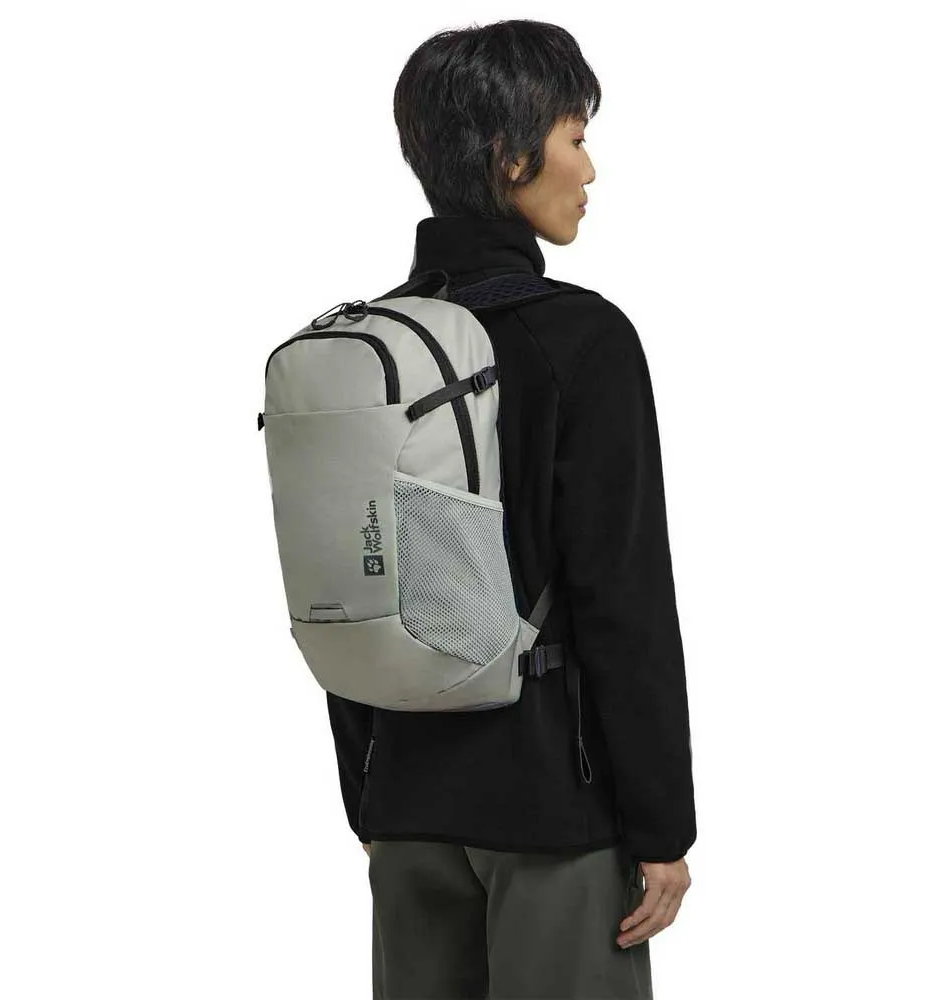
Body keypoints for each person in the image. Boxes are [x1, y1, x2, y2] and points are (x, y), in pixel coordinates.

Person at [324, 18, 696, 998]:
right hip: (552, 815)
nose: (590, 168)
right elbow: (622, 597)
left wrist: (372, 797)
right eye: (576, 136)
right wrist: (662, 825)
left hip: (405, 806)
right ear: (511, 154)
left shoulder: (361, 347)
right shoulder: (581, 340)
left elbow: (346, 576)